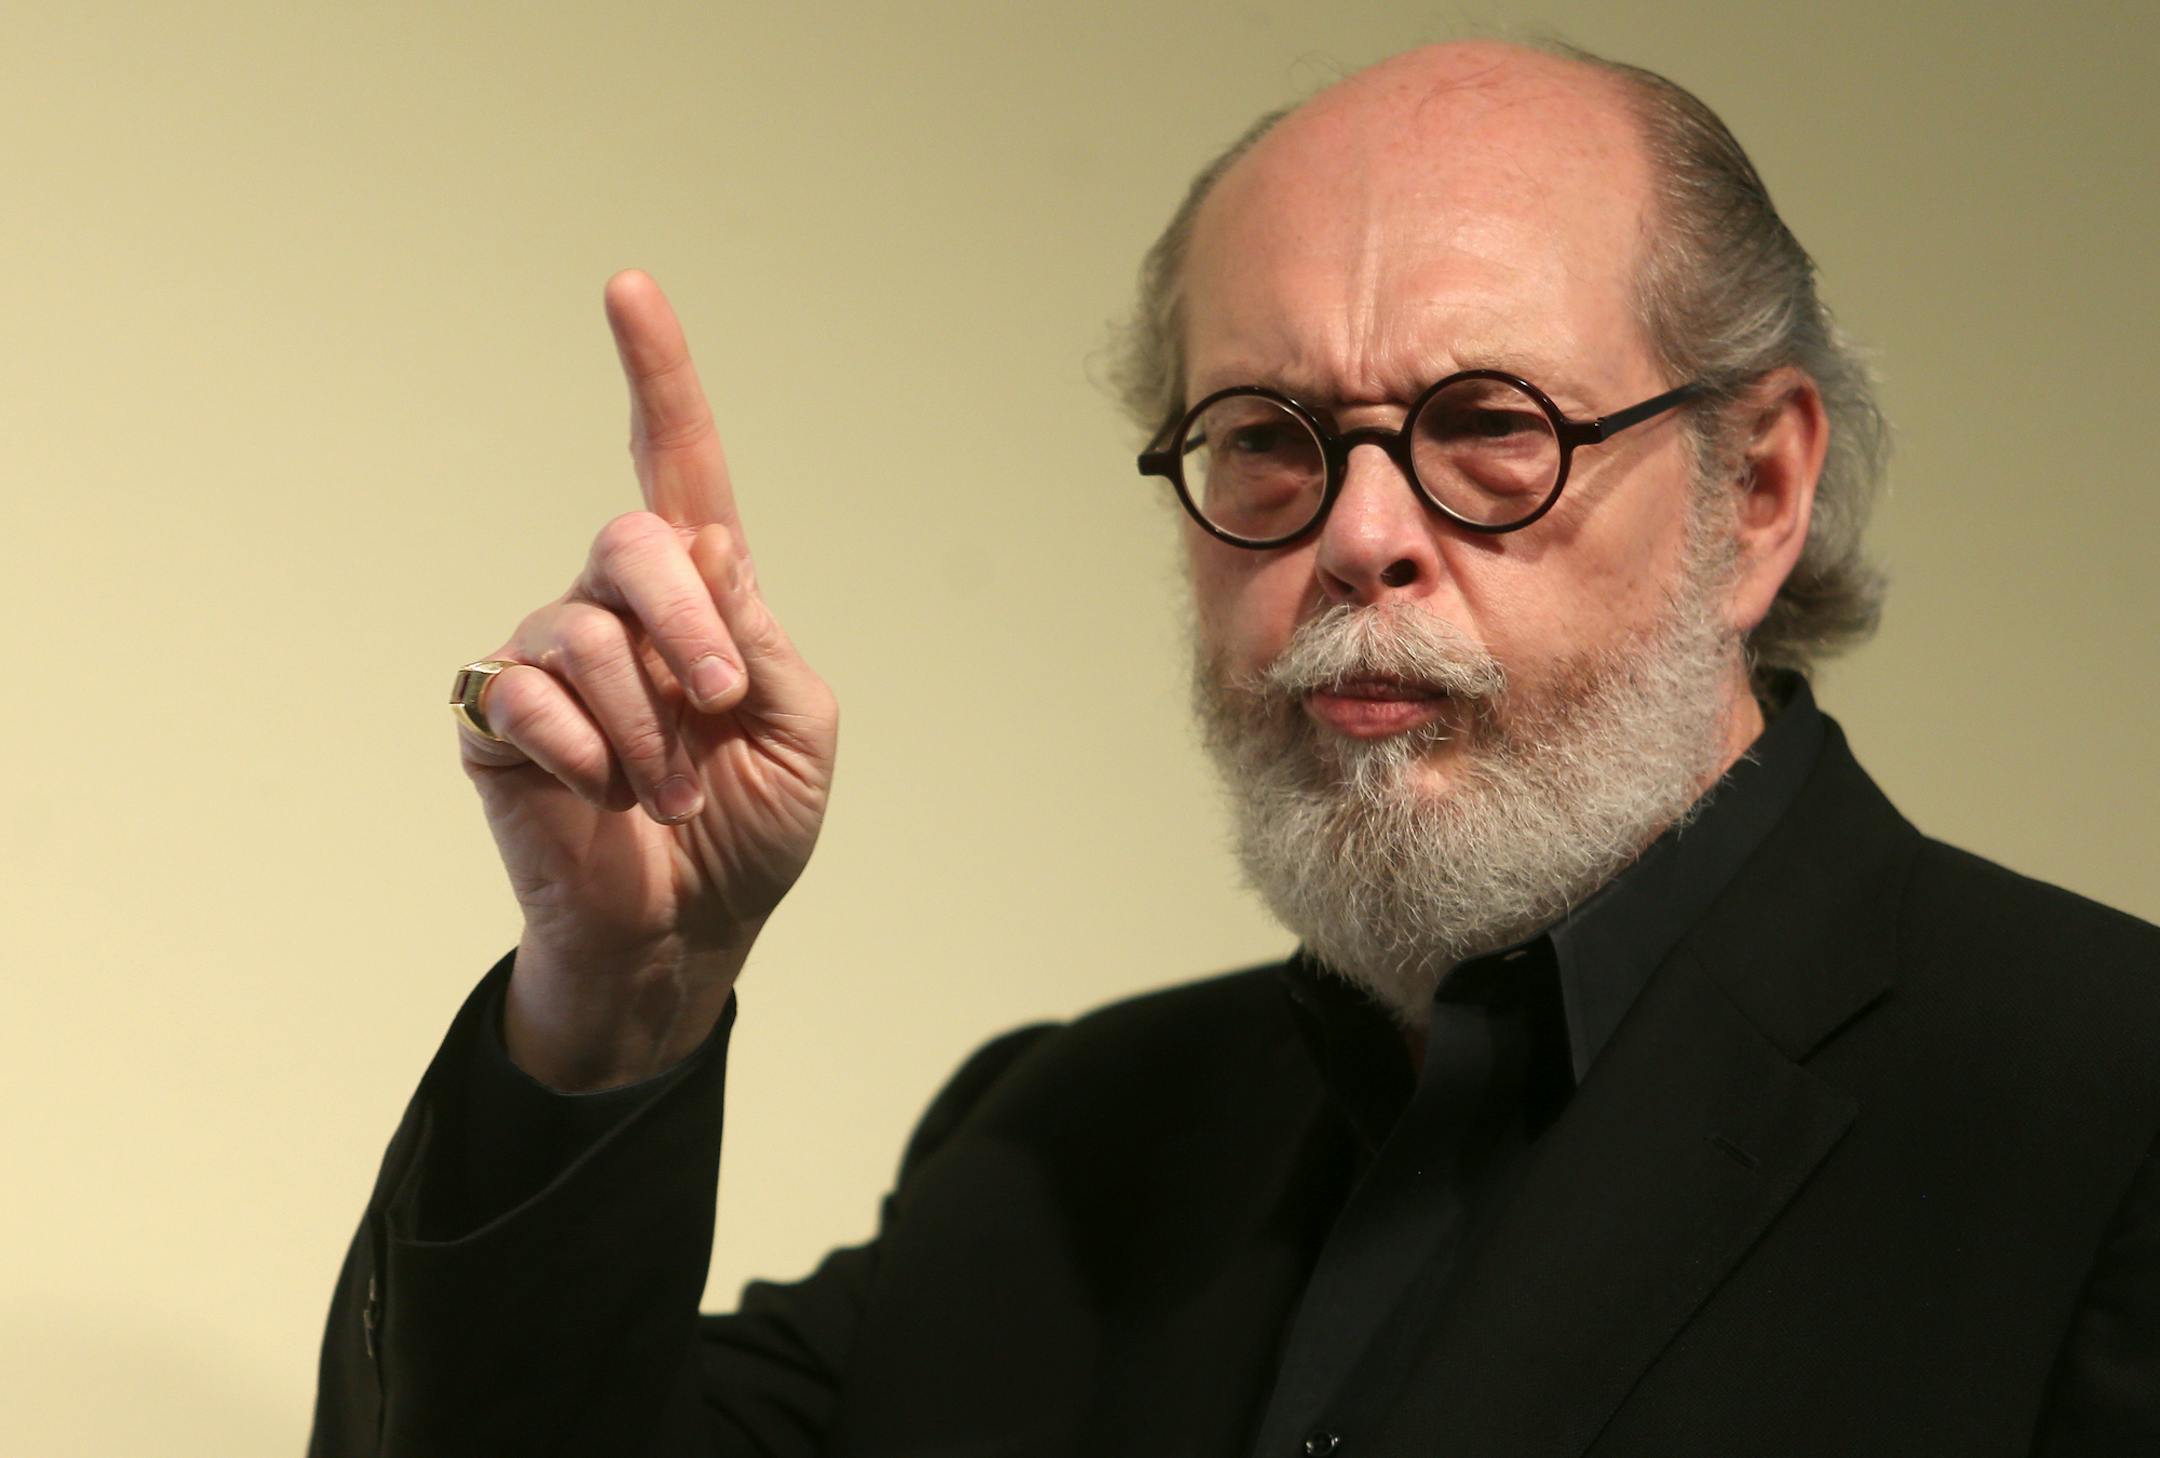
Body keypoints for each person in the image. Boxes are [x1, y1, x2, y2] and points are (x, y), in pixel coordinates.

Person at [310, 39, 2160, 1457]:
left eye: (1490, 423)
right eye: (1267, 435)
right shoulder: (1059, 1144)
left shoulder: (2101, 1103)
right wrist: (617, 1000)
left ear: (1754, 490)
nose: (1359, 532)